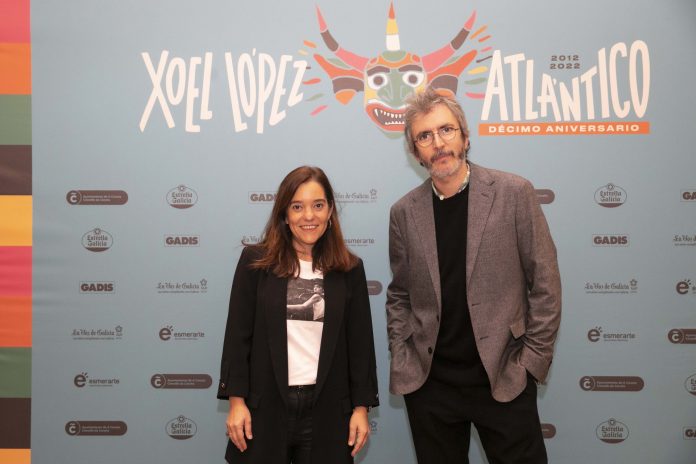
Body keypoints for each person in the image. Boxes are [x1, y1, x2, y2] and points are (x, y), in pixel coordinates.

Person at [386, 86, 561, 463]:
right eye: (425, 136)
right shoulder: (403, 213)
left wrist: (531, 362)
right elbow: (400, 294)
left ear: (465, 137)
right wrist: (403, 354)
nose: (438, 143)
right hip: (432, 386)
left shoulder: (514, 193)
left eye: (446, 130)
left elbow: (546, 283)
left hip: (504, 375)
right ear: (415, 152)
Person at [218, 166, 379, 464]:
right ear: (284, 213)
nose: (308, 216)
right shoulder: (255, 262)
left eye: (318, 205)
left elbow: (359, 345)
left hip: (329, 412)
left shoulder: (349, 269)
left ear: (330, 211)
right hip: (264, 408)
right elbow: (238, 336)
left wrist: (360, 408)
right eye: (297, 207)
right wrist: (236, 402)